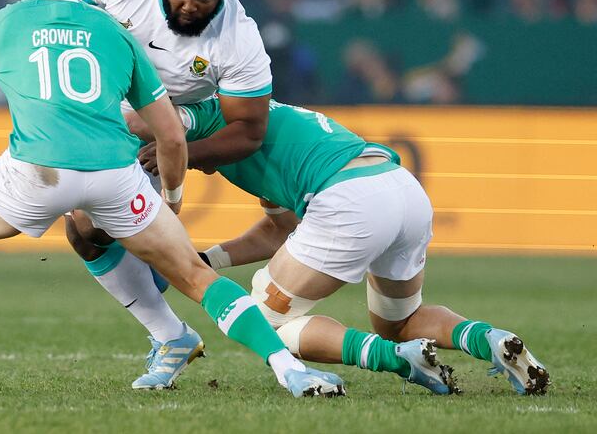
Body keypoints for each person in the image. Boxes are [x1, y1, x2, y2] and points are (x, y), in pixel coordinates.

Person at [0, 0, 345, 399]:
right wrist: (169, 207)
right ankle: (281, 368)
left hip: (39, 168)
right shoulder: (117, 30)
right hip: (115, 166)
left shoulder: (0, 22)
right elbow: (172, 133)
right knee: (190, 273)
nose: (188, 4)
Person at [134, 97, 550, 396]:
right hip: (401, 188)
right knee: (400, 318)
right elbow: (277, 231)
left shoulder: (205, 115)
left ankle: (397, 358)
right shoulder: (260, 122)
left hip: (349, 200)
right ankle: (490, 339)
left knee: (264, 320)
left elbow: (159, 126)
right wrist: (207, 260)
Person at [65, 0, 274, 389]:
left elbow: (249, 131)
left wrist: (175, 150)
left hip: (180, 121)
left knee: (92, 222)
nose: (188, 4)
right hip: (104, 112)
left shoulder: (238, 38)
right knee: (84, 234)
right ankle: (169, 330)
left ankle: (165, 295)